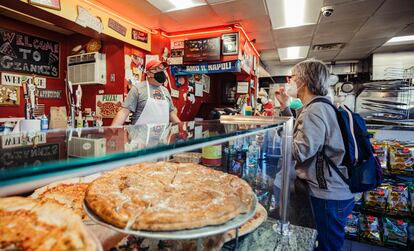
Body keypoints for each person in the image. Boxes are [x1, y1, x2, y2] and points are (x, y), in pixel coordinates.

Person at [275, 59, 354, 251]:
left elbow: (300, 151)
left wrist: (273, 141)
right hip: (330, 192)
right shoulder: (317, 106)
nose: (289, 81)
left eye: (292, 77)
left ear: (303, 80)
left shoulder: (315, 109)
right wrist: (285, 106)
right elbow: (297, 131)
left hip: (328, 195)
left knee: (326, 247)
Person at [112, 59, 180, 126]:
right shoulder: (137, 89)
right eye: (157, 69)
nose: (161, 72)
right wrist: (113, 131)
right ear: (148, 72)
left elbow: (171, 113)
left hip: (162, 136)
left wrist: (181, 128)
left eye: (162, 70)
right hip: (140, 136)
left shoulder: (165, 91)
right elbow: (124, 111)